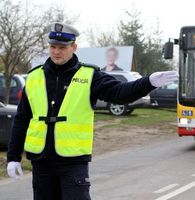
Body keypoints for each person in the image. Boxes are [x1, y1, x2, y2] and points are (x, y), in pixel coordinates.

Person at [6, 22, 177, 200]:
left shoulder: (90, 76)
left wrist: (148, 82)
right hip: (41, 162)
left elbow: (120, 93)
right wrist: (13, 157)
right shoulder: (34, 77)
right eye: (53, 46)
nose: (56, 51)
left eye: (62, 47)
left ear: (74, 47)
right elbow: (21, 119)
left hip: (73, 163)